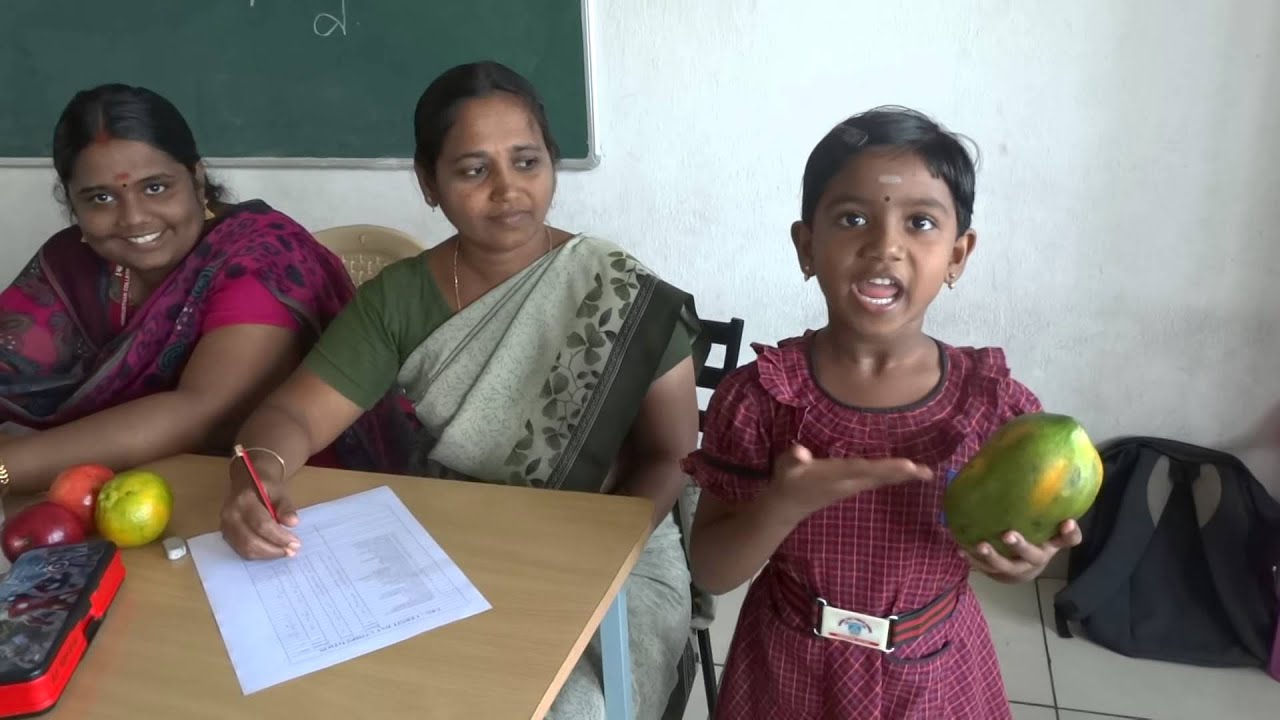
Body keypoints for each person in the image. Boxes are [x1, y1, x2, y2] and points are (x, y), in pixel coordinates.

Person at [218, 61, 704, 719]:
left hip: (616, 543)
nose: (508, 190)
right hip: (456, 538)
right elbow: (293, 415)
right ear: (429, 183)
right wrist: (258, 474)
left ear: (552, 163)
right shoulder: (399, 299)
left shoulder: (620, 289)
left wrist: (592, 555)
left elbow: (672, 455)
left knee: (572, 707)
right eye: (474, 170)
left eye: (526, 162)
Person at [681, 107, 1084, 719]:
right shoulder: (760, 397)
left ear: (958, 254)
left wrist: (1022, 565)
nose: (885, 246)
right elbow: (710, 572)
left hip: (933, 675)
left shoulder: (998, 410)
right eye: (853, 218)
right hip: (786, 671)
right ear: (807, 246)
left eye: (920, 222)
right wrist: (782, 504)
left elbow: (1013, 545)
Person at [0, 83, 399, 495]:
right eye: (100, 198)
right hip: (114, 488)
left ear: (197, 178)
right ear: (72, 202)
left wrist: (4, 469)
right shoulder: (71, 262)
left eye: (155, 187)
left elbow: (204, 411)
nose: (133, 218)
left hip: (274, 494)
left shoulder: (264, 257)